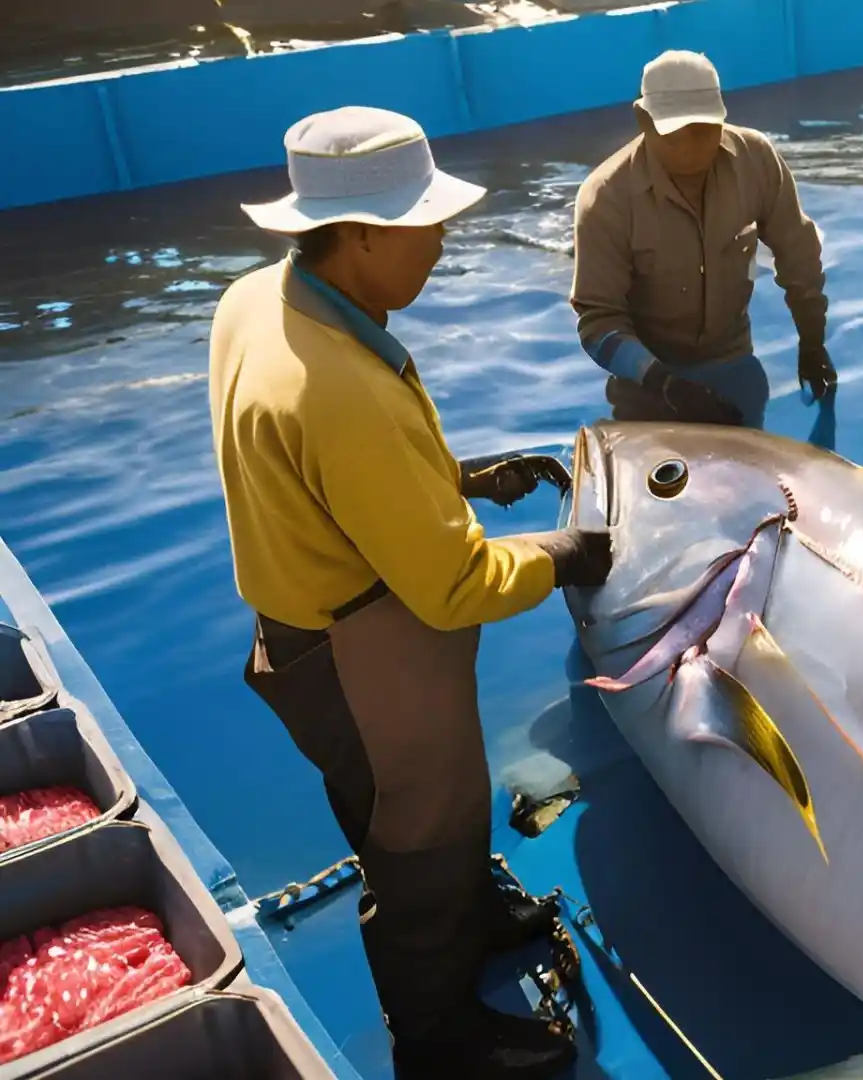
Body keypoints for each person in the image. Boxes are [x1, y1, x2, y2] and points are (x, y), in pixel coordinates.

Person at [210, 105, 611, 1080]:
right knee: (417, 838)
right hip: (367, 655)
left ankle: (472, 913)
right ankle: (439, 1038)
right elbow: (455, 584)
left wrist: (458, 479)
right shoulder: (341, 394)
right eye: (423, 224)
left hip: (307, 623)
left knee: (415, 812)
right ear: (355, 236)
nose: (441, 242)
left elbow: (325, 477)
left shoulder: (264, 300)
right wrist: (567, 552)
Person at [571, 50, 836, 428]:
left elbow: (800, 259)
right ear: (643, 120)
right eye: (676, 133)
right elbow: (597, 323)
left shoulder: (756, 159)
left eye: (705, 130)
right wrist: (664, 382)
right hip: (644, 382)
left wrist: (812, 342)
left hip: (733, 361)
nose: (692, 148)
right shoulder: (606, 197)